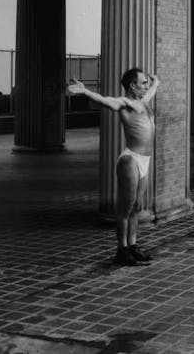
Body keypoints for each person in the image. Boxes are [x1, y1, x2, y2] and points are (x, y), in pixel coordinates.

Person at [68, 68, 159, 266]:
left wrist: (156, 82)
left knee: (136, 206)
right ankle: (122, 249)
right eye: (142, 83)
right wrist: (86, 91)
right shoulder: (125, 103)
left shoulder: (143, 101)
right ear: (132, 86)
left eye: (145, 83)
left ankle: (133, 246)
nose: (146, 86)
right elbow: (104, 100)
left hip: (145, 159)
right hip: (131, 160)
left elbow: (153, 89)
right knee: (125, 208)